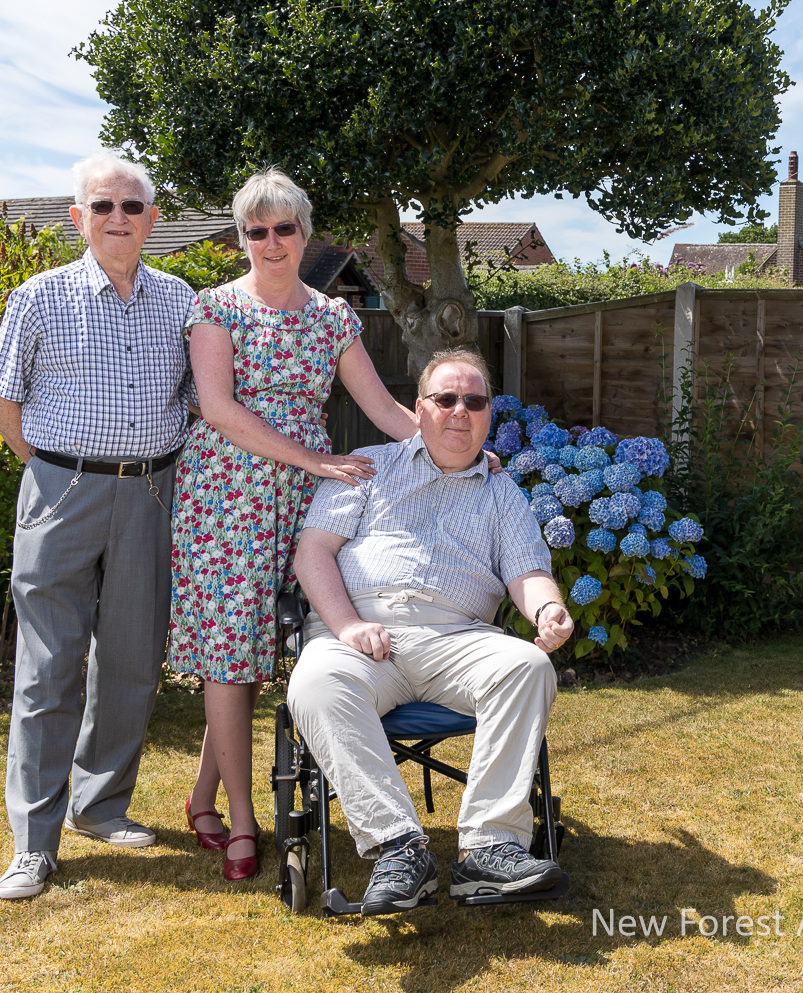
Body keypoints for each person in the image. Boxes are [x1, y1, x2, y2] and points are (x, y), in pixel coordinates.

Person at [167, 168, 421, 881]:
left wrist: (450, 452)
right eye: (256, 229)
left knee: (260, 651)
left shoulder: (334, 317)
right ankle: (245, 823)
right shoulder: (215, 308)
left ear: (305, 234)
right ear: (241, 237)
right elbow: (217, 409)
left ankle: (201, 799)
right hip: (227, 497)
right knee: (231, 655)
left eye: (284, 227)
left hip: (306, 500)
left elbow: (383, 408)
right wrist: (312, 458)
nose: (271, 241)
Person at [289, 347, 576, 915]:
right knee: (317, 682)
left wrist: (547, 610)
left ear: (490, 414)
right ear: (419, 409)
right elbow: (312, 554)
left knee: (527, 665)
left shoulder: (503, 492)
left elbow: (528, 572)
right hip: (362, 637)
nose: (459, 412)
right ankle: (399, 848)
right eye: (446, 399)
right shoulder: (368, 466)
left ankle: (489, 851)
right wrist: (346, 626)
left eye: (474, 401)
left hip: (457, 638)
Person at [0, 150, 197, 900]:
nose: (117, 219)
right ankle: (33, 846)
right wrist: (49, 471)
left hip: (149, 493)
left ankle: (100, 807)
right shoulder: (37, 297)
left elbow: (207, 398)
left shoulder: (180, 300)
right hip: (62, 490)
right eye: (102, 206)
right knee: (48, 670)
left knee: (134, 659)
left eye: (131, 207)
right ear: (77, 217)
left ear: (152, 221)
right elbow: (1, 403)